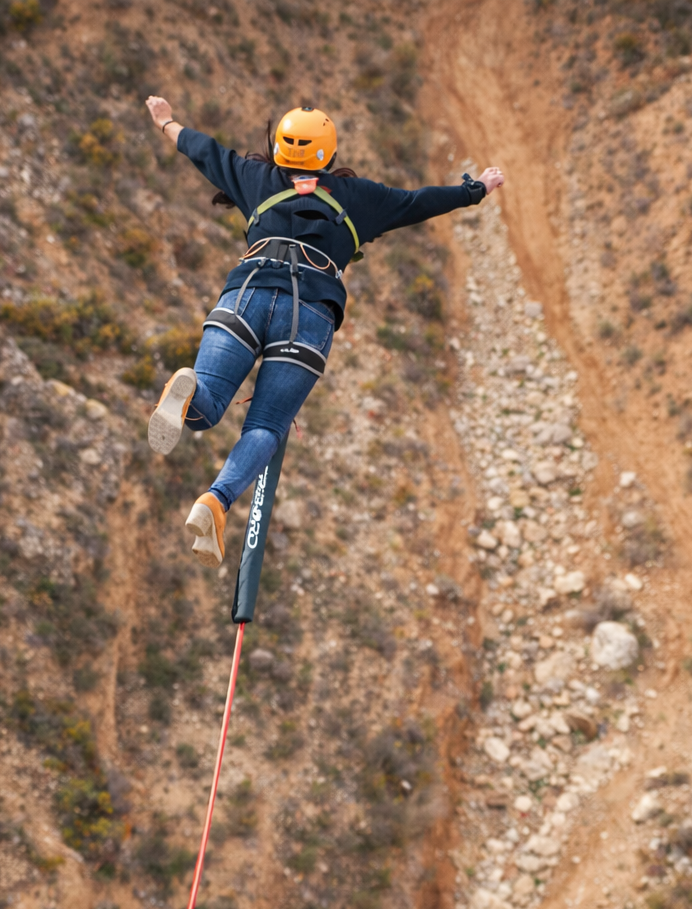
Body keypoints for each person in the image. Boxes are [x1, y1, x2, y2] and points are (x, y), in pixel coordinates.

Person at [144, 96, 505, 567]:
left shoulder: (254, 178)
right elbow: (420, 202)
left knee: (204, 408)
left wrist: (166, 122)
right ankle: (215, 500)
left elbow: (203, 150)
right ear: (329, 154)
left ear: (278, 150)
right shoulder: (359, 198)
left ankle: (186, 390)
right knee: (267, 426)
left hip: (247, 291)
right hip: (309, 313)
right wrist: (474, 189)